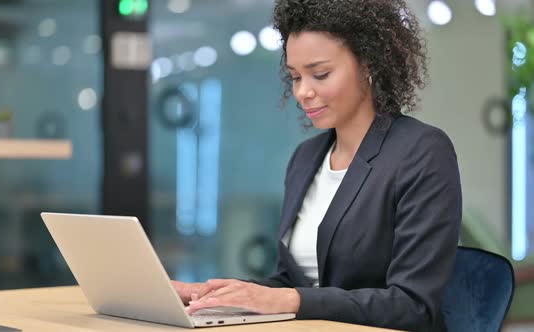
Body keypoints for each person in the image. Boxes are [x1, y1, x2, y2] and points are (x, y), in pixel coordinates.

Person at [172, 0, 462, 331]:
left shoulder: (421, 152)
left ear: (368, 63)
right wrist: (212, 294)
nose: (302, 92)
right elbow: (291, 283)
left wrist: (291, 300)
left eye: (320, 74)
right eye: (295, 77)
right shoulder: (305, 159)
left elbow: (413, 306)